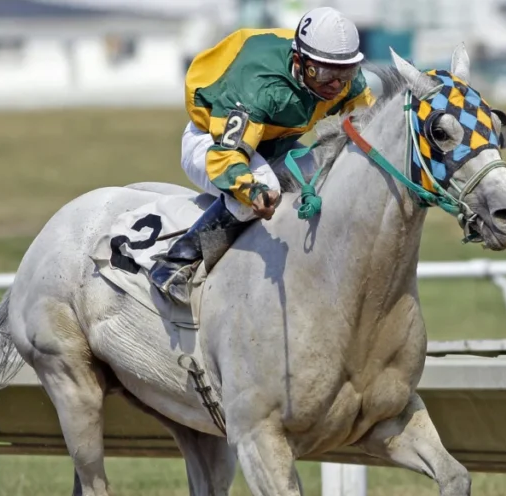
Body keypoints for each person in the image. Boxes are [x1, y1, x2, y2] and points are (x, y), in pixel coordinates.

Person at [149, 6, 376, 303]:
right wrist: (250, 189)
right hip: (212, 144)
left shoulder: (345, 83)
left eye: (345, 72)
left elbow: (371, 126)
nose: (336, 84)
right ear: (299, 60)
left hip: (275, 147)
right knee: (264, 187)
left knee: (329, 173)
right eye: (324, 73)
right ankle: (176, 263)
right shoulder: (259, 85)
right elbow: (226, 157)